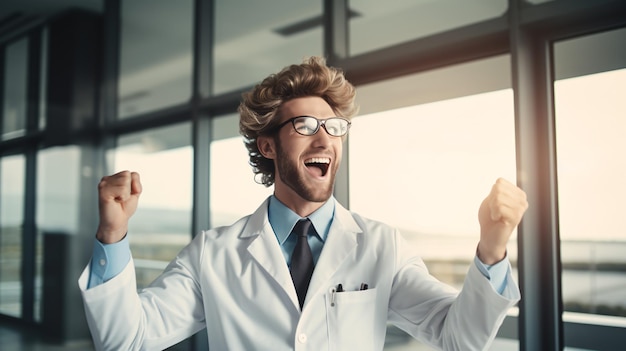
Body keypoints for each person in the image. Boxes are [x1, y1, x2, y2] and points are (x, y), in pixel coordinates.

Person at [79, 56, 528, 351]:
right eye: (307, 124)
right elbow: (126, 341)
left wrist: (491, 250)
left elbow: (459, 339)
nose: (325, 138)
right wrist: (112, 236)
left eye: (335, 127)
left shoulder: (380, 246)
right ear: (269, 146)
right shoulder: (212, 254)